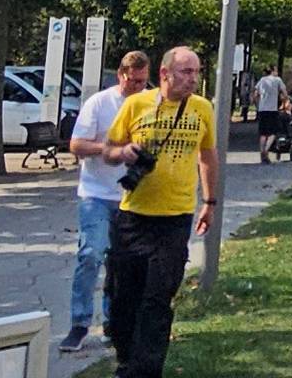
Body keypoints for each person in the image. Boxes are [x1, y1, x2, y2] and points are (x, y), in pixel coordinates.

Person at [102, 47, 223, 378]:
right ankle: (126, 359)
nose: (193, 79)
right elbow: (108, 151)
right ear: (165, 74)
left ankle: (145, 371)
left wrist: (210, 203)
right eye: (186, 72)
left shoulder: (201, 109)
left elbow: (207, 156)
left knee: (158, 298)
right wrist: (124, 151)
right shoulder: (136, 104)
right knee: (124, 298)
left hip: (175, 218)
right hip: (133, 216)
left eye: (196, 72)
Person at [62, 49, 154, 353]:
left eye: (143, 81)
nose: (138, 87)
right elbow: (76, 144)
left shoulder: (154, 104)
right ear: (121, 75)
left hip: (132, 195)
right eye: (133, 82)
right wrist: (112, 148)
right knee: (91, 253)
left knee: (122, 262)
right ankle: (79, 323)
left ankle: (113, 321)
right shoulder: (100, 103)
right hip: (97, 193)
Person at [256, 67, 291, 163]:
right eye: (276, 70)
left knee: (263, 133)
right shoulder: (277, 80)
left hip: (262, 109)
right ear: (272, 71)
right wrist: (286, 100)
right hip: (272, 109)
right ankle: (266, 150)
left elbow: (256, 94)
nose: (277, 72)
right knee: (273, 132)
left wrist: (258, 104)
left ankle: (261, 151)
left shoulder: (262, 80)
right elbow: (284, 92)